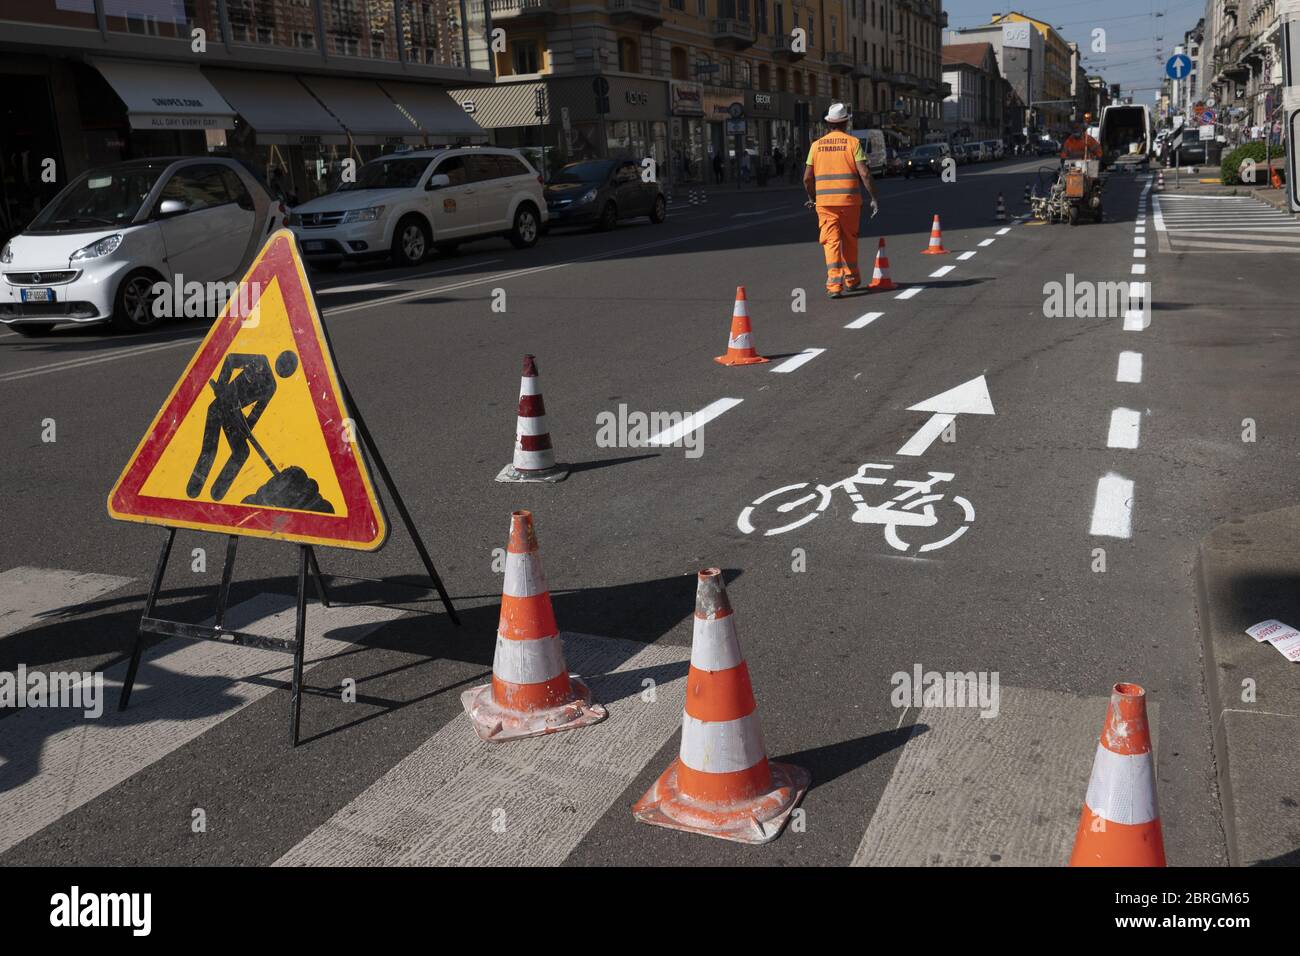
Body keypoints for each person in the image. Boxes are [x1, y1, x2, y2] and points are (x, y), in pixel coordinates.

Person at [803, 103, 879, 299]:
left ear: (828, 123)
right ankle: (852, 280)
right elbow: (864, 173)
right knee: (849, 240)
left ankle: (834, 285)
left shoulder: (816, 146)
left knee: (831, 243)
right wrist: (873, 197)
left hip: (826, 204)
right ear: (845, 122)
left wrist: (813, 198)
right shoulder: (853, 143)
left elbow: (807, 178)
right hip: (850, 202)